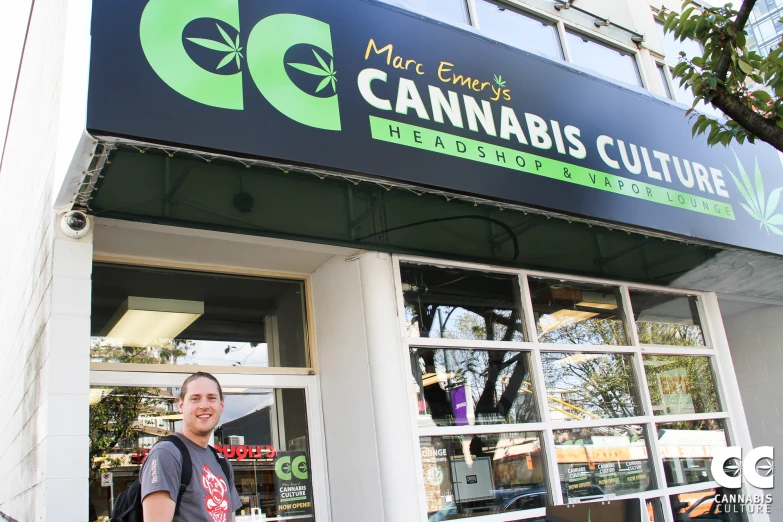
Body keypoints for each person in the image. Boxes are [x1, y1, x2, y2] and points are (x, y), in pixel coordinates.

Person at [141, 372, 241, 522]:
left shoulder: (222, 462)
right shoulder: (167, 454)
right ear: (181, 405)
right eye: (195, 399)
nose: (204, 406)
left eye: (211, 398)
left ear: (221, 405)